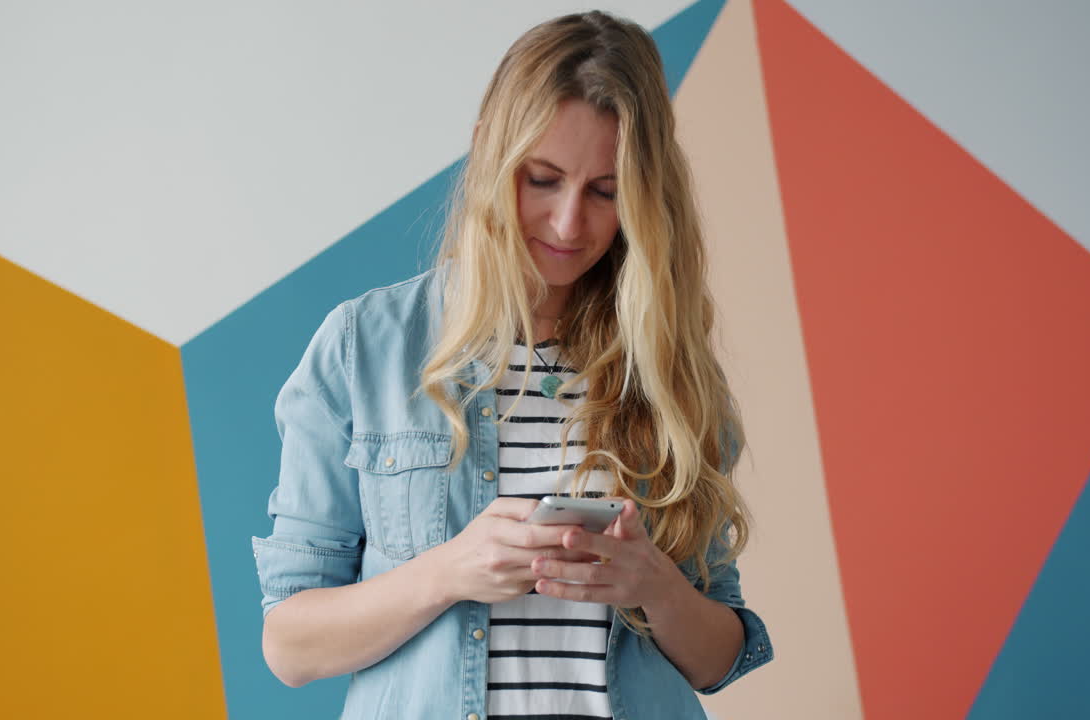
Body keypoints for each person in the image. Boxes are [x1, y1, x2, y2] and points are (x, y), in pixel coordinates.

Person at [251, 10, 773, 719]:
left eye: (605, 191)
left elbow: (719, 658)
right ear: (488, 156)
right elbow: (290, 646)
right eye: (543, 179)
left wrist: (655, 585)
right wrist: (448, 572)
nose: (567, 224)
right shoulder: (364, 347)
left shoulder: (665, 366)